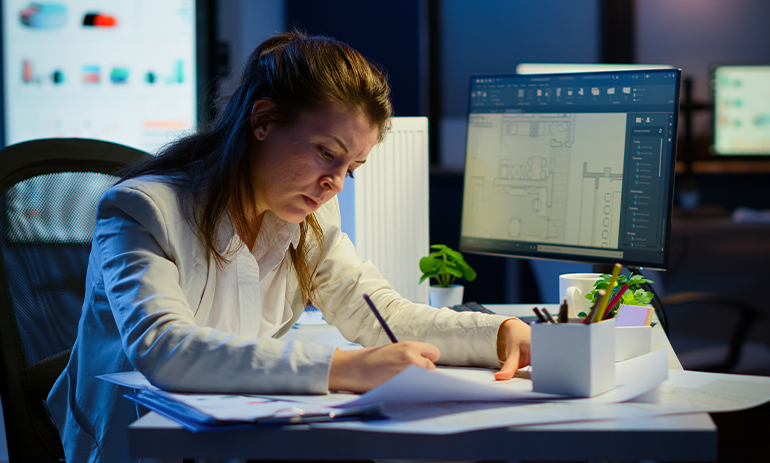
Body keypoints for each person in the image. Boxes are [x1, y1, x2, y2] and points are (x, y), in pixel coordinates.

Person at [47, 31, 531, 463]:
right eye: (327, 153)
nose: (335, 184)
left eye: (351, 168)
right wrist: (345, 368)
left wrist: (499, 333)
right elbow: (166, 348)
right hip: (141, 446)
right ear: (263, 120)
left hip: (233, 436)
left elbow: (381, 314)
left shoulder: (307, 218)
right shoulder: (141, 209)